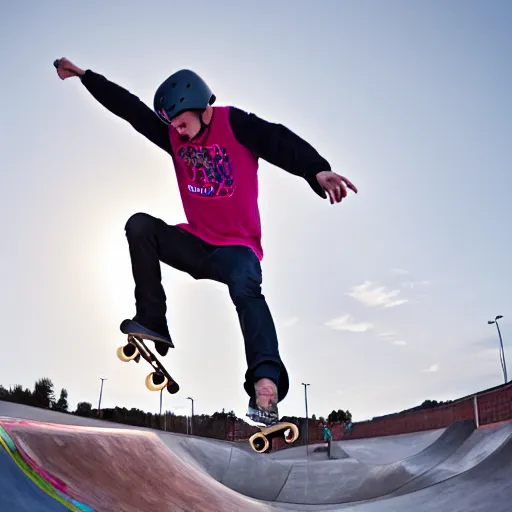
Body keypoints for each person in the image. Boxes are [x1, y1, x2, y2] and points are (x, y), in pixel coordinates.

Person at [54, 57, 358, 426]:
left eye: (182, 124)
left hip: (237, 249)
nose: (179, 134)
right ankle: (153, 320)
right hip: (194, 242)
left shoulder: (236, 124)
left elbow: (279, 140)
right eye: (174, 127)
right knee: (140, 226)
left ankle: (265, 383)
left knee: (247, 289)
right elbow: (131, 110)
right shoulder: (172, 135)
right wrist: (86, 77)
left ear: (202, 107)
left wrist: (316, 169)